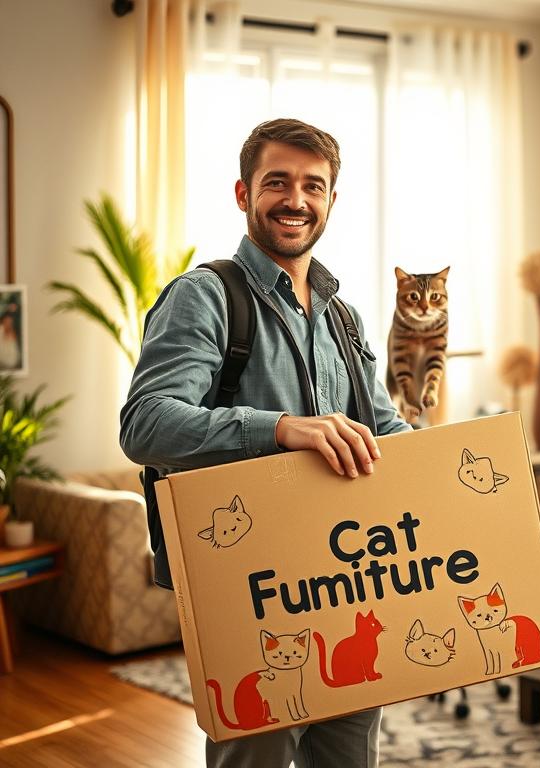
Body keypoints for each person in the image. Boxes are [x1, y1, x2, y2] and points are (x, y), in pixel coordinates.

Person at [120, 118, 411, 768]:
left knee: (349, 749)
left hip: (349, 574)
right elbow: (145, 426)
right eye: (277, 181)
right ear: (243, 192)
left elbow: (382, 428)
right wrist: (279, 429)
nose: (295, 200)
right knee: (257, 751)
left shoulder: (342, 314)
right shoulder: (204, 296)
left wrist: (453, 471)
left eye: (314, 185)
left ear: (333, 200)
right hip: (248, 584)